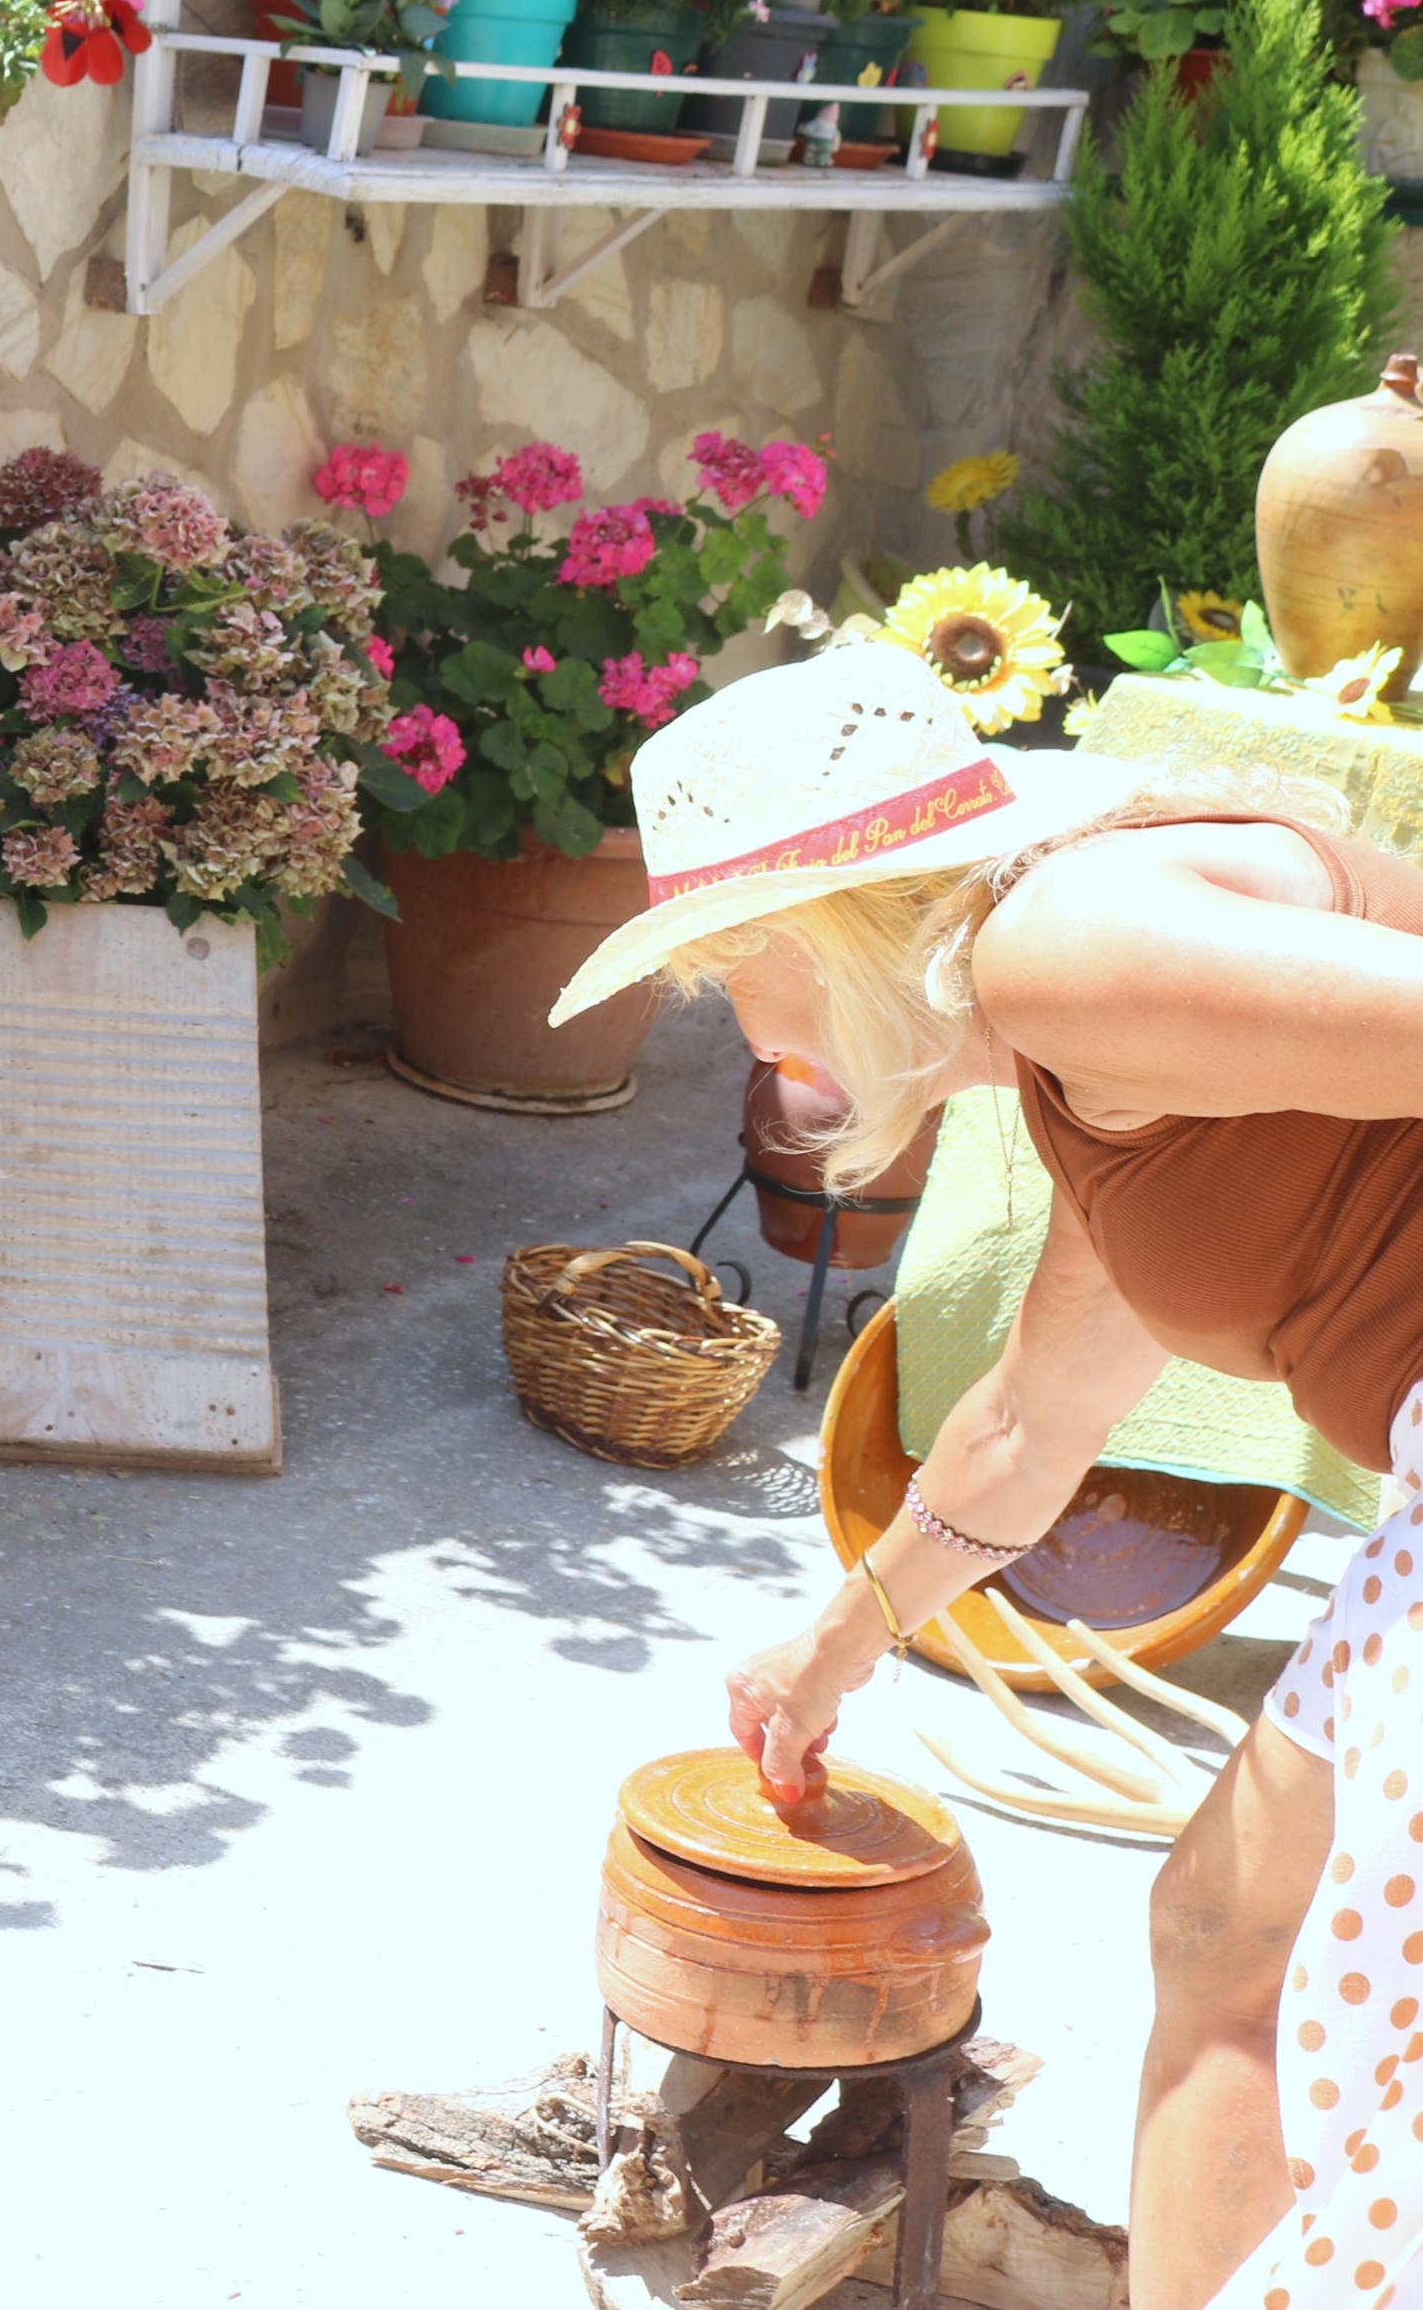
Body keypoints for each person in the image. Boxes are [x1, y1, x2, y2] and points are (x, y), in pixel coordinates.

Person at [550, 640, 1423, 2310]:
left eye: (730, 966)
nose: (740, 1023)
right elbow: (1035, 1415)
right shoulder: (1083, 1045)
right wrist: (842, 1633)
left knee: (1344, 2016)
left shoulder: (1058, 957)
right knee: (1224, 1936)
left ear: (818, 932)